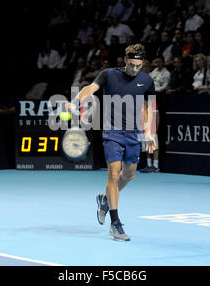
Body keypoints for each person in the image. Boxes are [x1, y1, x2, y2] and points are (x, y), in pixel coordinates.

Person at [66, 44, 156, 241]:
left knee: (129, 176)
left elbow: (150, 108)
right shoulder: (108, 75)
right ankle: (116, 224)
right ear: (125, 60)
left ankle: (105, 201)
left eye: (138, 66)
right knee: (113, 176)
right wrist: (76, 101)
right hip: (112, 133)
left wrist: (150, 132)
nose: (134, 69)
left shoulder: (147, 81)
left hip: (134, 134)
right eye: (131, 65)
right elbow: (90, 88)